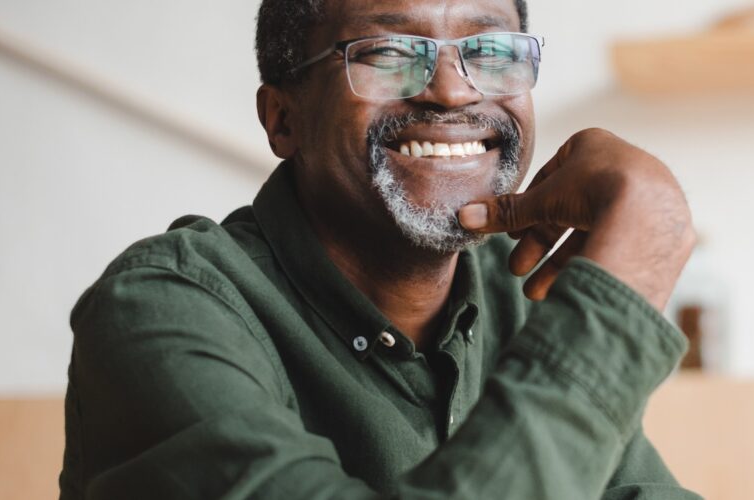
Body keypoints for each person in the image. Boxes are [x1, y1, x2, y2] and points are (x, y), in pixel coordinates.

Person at [57, 0, 700, 498]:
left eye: (492, 49)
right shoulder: (160, 311)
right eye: (390, 52)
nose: (453, 91)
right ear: (284, 118)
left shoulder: (520, 293)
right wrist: (622, 292)